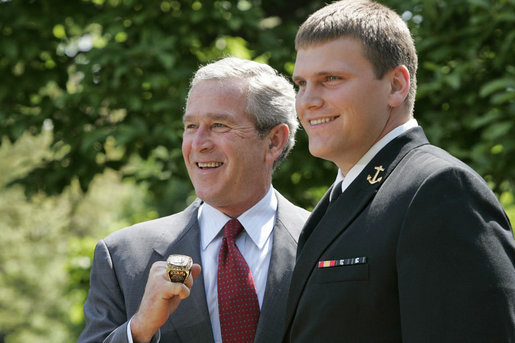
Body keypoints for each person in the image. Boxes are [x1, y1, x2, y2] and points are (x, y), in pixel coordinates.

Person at [283, 1, 515, 342]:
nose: (307, 101)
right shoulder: (341, 198)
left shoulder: (439, 189)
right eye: (301, 84)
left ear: (396, 85)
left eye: (330, 79)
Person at [78, 57, 310, 343]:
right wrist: (138, 329)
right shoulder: (122, 257)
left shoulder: (324, 242)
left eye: (219, 125)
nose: (198, 143)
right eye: (191, 126)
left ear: (274, 141)